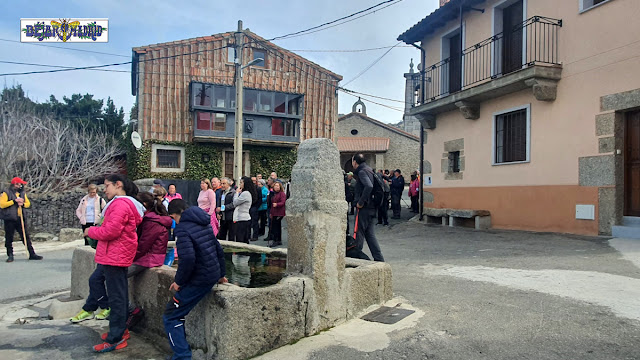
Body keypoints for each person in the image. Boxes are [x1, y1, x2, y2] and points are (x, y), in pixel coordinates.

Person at [82, 174, 145, 352]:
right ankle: (121, 331)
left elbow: (110, 231)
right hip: (116, 255)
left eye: (107, 185)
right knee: (120, 295)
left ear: (118, 185)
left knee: (117, 298)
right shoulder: (126, 204)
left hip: (115, 256)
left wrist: (91, 231)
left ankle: (115, 338)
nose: (105, 189)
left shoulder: (120, 204)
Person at [164, 199, 227, 360]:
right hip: (211, 274)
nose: (174, 222)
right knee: (178, 311)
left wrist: (178, 281)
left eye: (173, 218)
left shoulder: (182, 229)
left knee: (171, 315)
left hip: (199, 279)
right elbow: (217, 248)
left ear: (175, 215)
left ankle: (182, 356)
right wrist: (220, 274)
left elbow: (188, 259)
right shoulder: (203, 221)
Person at [0, 177, 43, 262]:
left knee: (25, 237)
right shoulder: (6, 193)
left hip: (20, 218)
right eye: (18, 184)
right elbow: (2, 204)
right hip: (10, 218)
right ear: (14, 184)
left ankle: (32, 254)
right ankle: (10, 255)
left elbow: (28, 204)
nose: (20, 186)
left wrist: (22, 203)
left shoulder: (22, 193)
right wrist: (14, 201)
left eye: (20, 184)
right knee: (9, 237)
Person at [351, 154, 385, 262]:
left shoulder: (362, 172)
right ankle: (379, 259)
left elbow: (369, 186)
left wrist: (361, 202)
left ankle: (356, 260)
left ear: (355, 162)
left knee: (358, 233)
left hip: (364, 208)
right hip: (372, 207)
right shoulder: (370, 170)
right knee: (370, 235)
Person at [233, 176, 254, 244]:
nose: (240, 185)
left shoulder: (245, 193)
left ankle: (242, 254)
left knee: (240, 239)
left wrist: (236, 193)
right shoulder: (246, 193)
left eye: (241, 183)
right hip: (243, 218)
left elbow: (235, 202)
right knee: (244, 238)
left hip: (243, 219)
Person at [269, 181, 286, 247]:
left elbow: (283, 202)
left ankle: (276, 240)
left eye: (277, 186)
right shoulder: (274, 194)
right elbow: (271, 204)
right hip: (274, 212)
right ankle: (278, 240)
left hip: (279, 212)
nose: (276, 187)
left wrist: (277, 204)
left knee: (276, 226)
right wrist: (271, 212)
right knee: (275, 226)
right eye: (275, 186)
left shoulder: (282, 194)